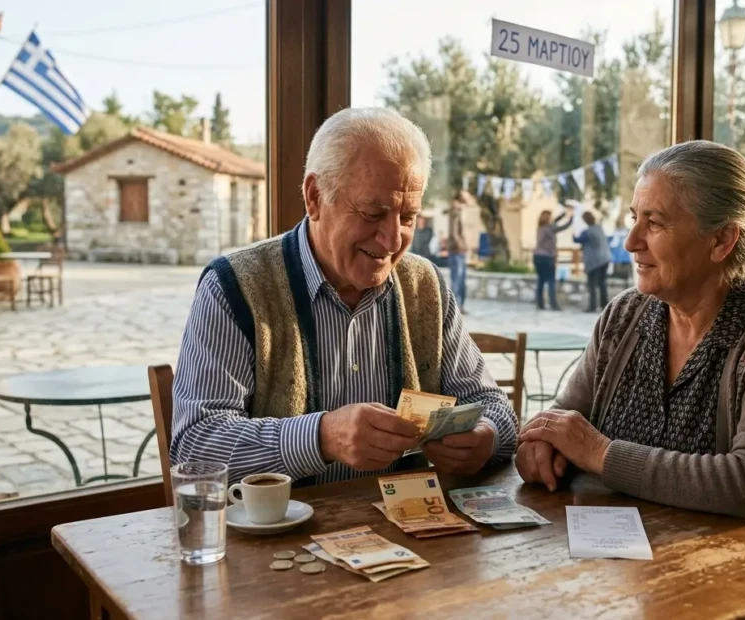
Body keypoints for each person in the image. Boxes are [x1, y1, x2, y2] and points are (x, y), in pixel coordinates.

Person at [169, 107, 518, 487]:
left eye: (407, 217)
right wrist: (322, 437)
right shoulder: (234, 286)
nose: (392, 239)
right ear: (315, 196)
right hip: (280, 541)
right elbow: (195, 447)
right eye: (373, 212)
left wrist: (486, 437)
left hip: (408, 534)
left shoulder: (424, 285)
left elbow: (493, 406)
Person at [516, 140, 745, 548]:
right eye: (633, 218)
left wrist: (600, 454)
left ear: (722, 241)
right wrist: (540, 443)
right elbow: (568, 416)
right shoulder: (624, 315)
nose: (630, 241)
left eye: (655, 223)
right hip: (637, 557)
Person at [534, 204, 574, 310]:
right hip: (547, 258)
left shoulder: (540, 228)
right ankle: (553, 304)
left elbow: (555, 221)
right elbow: (564, 226)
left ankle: (540, 303)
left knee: (541, 281)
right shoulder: (550, 229)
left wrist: (564, 213)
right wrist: (571, 217)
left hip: (537, 257)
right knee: (551, 281)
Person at [573, 211, 610, 312]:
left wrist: (573, 232)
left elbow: (577, 240)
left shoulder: (587, 232)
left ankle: (592, 306)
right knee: (602, 283)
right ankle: (604, 305)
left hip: (594, 261)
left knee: (592, 284)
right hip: (605, 258)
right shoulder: (599, 228)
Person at [445, 192, 469, 313]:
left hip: (461, 250)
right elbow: (454, 232)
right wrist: (461, 245)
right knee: (457, 279)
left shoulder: (459, 211)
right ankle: (455, 307)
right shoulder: (455, 211)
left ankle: (461, 306)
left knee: (462, 279)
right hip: (457, 250)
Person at [609, 216, 633, 287]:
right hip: (624, 253)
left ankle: (625, 283)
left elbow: (613, 244)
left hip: (620, 254)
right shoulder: (626, 231)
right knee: (625, 270)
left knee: (621, 269)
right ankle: (626, 282)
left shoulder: (616, 232)